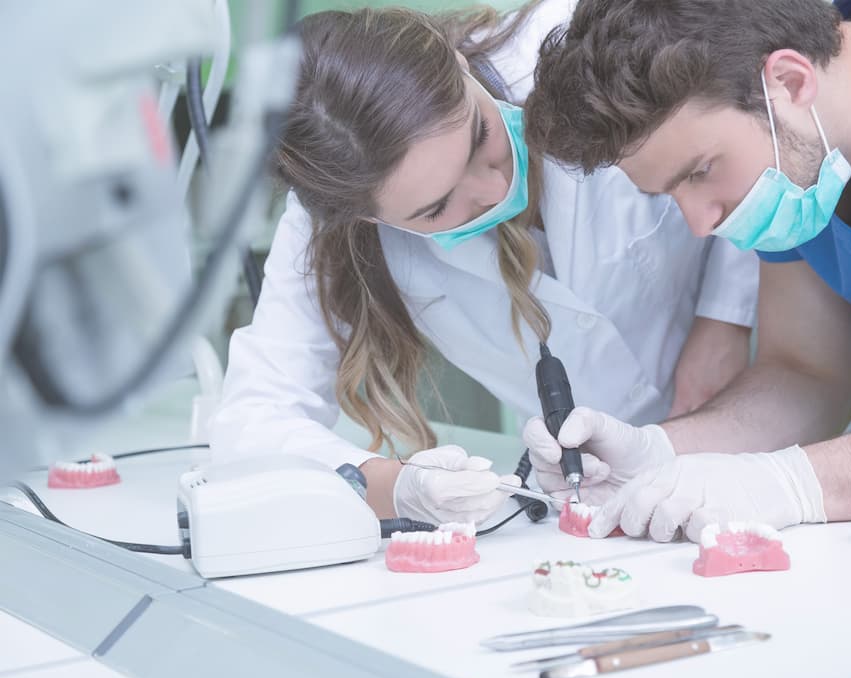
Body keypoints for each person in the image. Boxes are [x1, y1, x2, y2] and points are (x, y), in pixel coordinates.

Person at [209, 1, 763, 527]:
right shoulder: (330, 225)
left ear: (457, 64)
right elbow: (252, 422)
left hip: (772, 404)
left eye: (479, 135)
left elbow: (755, 100)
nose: (494, 187)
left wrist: (725, 314)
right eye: (435, 208)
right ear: (368, 219)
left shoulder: (579, 39)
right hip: (613, 498)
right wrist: (393, 485)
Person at [521, 0, 851, 542]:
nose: (701, 223)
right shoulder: (805, 163)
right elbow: (806, 375)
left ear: (788, 79)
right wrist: (656, 453)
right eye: (670, 194)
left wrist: (791, 482)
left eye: (701, 172)